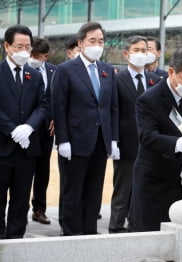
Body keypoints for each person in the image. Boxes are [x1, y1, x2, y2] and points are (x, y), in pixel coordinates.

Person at [52, 22, 119, 236]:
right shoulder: (66, 70)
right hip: (74, 141)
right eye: (92, 41)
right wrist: (62, 140)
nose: (97, 45)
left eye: (100, 41)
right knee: (72, 190)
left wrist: (114, 140)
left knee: (94, 190)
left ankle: (90, 231)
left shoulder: (107, 70)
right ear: (80, 43)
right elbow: (59, 107)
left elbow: (112, 108)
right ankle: (71, 232)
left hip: (100, 141)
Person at [129, 48, 182, 231]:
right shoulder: (149, 99)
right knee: (151, 234)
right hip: (155, 180)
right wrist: (175, 144)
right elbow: (147, 136)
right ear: (171, 72)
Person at [109, 36, 160, 234]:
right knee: (123, 189)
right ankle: (115, 226)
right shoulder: (116, 79)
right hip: (126, 143)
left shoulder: (155, 80)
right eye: (136, 50)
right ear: (126, 54)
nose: (141, 54)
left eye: (144, 50)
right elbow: (113, 111)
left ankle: (136, 224)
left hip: (150, 144)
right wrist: (113, 141)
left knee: (144, 189)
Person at [0, 24, 47, 239]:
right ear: (7, 46)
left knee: (21, 202)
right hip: (2, 148)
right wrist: (12, 130)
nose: (24, 51)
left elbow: (43, 105)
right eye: (19, 46)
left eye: (28, 47)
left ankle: (16, 242)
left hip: (27, 150)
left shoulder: (34, 75)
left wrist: (29, 127)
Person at [28, 38, 57, 225]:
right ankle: (17, 209)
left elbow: (59, 97)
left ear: (45, 56)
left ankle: (39, 209)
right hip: (26, 128)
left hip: (47, 129)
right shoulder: (23, 70)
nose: (33, 59)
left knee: (43, 171)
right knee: (23, 170)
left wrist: (56, 118)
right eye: (32, 55)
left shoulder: (55, 71)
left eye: (37, 56)